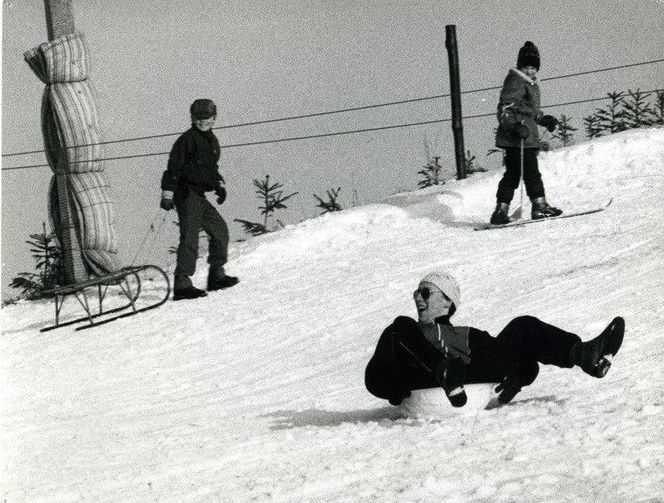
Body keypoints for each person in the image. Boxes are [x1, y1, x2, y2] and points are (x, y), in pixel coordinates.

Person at [365, 270, 624, 407]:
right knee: (399, 326)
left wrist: (522, 374)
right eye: (416, 293)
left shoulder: (467, 334)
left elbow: (509, 357)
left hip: (465, 379)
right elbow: (375, 378)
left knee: (523, 327)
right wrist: (394, 387)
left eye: (426, 292)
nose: (418, 298)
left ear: (447, 301)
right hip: (423, 378)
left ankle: (585, 355)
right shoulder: (408, 334)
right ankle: (443, 372)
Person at [160, 99, 239, 301]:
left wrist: (219, 185)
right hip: (185, 194)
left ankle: (216, 276)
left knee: (220, 230)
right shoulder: (186, 140)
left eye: (207, 118)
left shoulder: (212, 141)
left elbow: (211, 170)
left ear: (214, 118)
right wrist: (168, 194)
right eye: (198, 118)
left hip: (199, 195)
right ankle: (182, 284)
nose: (203, 122)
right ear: (192, 118)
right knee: (190, 237)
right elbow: (173, 168)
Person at [491, 41, 562, 225]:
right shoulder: (516, 81)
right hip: (518, 137)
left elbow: (528, 110)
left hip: (524, 136)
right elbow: (505, 108)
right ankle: (539, 206)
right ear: (521, 66)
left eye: (533, 67)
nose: (531, 71)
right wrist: (514, 126)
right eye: (527, 66)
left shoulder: (529, 83)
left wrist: (543, 119)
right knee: (531, 172)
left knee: (512, 174)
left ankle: (501, 210)